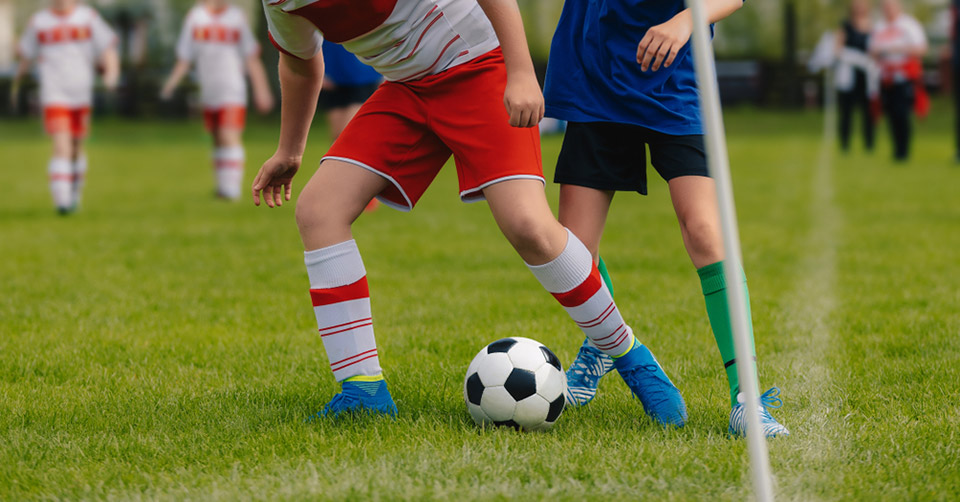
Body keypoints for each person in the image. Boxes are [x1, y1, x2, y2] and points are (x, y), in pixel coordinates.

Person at [252, 0, 686, 426]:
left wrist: (520, 71)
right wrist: (290, 152)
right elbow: (298, 63)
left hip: (480, 66)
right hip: (407, 88)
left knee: (529, 227)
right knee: (317, 211)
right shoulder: (279, 4)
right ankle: (363, 392)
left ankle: (631, 358)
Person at [542, 0, 789, 437]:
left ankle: (746, 401)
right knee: (574, 253)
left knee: (705, 232)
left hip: (676, 79)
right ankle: (605, 343)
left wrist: (683, 21)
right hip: (596, 76)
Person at [11, 0, 119, 215]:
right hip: (53, 93)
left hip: (81, 93)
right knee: (62, 145)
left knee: (76, 148)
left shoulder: (88, 18)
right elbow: (25, 56)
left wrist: (111, 75)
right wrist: (16, 85)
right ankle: (62, 202)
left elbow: (108, 48)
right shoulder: (39, 22)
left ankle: (74, 195)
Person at [161, 0, 274, 200]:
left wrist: (261, 90)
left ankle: (232, 190)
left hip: (232, 88)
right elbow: (185, 58)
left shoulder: (236, 19)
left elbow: (251, 58)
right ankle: (222, 187)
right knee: (216, 138)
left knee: (228, 135)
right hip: (209, 91)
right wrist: (169, 85)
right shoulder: (195, 18)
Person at [318, 42, 383, 212]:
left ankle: (366, 194)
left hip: (363, 75)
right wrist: (320, 71)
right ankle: (342, 192)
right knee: (337, 140)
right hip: (333, 76)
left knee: (352, 137)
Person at [870, 0, 928, 162]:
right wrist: (878, 52)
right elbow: (872, 50)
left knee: (902, 113)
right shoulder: (879, 27)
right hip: (885, 77)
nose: (887, 9)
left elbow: (921, 48)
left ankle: (904, 151)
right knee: (890, 113)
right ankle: (896, 149)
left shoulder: (909, 25)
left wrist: (898, 49)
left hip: (904, 75)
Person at [837, 0, 878, 152]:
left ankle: (869, 144)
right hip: (849, 75)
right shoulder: (845, 26)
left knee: (868, 111)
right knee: (846, 111)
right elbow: (838, 48)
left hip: (867, 75)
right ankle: (845, 144)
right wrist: (854, 58)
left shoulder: (873, 26)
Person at [318, 42, 382, 141]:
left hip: (362, 79)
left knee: (349, 132)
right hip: (332, 79)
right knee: (338, 136)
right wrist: (319, 74)